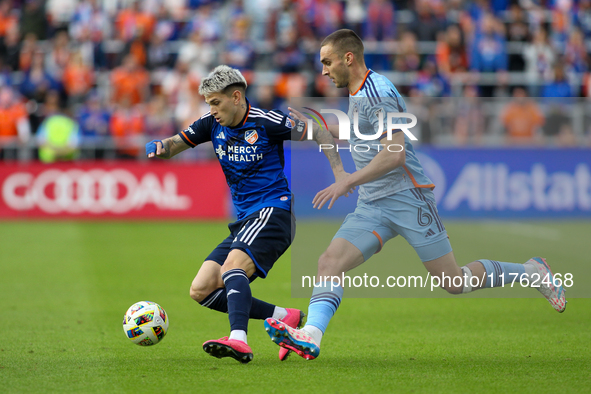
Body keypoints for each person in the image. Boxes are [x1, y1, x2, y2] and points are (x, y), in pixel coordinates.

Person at [263, 29, 567, 361]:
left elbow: (395, 154)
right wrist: (315, 128)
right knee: (329, 263)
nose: (322, 70)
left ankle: (532, 272)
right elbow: (360, 129)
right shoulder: (358, 91)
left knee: (454, 281)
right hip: (373, 202)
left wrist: (347, 181)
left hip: (408, 198)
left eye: (327, 62)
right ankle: (310, 334)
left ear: (348, 58)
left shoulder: (378, 92)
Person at [146, 65, 346, 363]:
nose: (211, 109)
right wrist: (161, 147)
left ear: (236, 96)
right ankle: (285, 316)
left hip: (273, 212)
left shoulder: (266, 122)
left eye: (215, 102)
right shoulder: (210, 124)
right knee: (201, 289)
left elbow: (320, 132)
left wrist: (340, 173)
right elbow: (176, 143)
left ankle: (238, 339)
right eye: (208, 103)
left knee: (231, 269)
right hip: (245, 221)